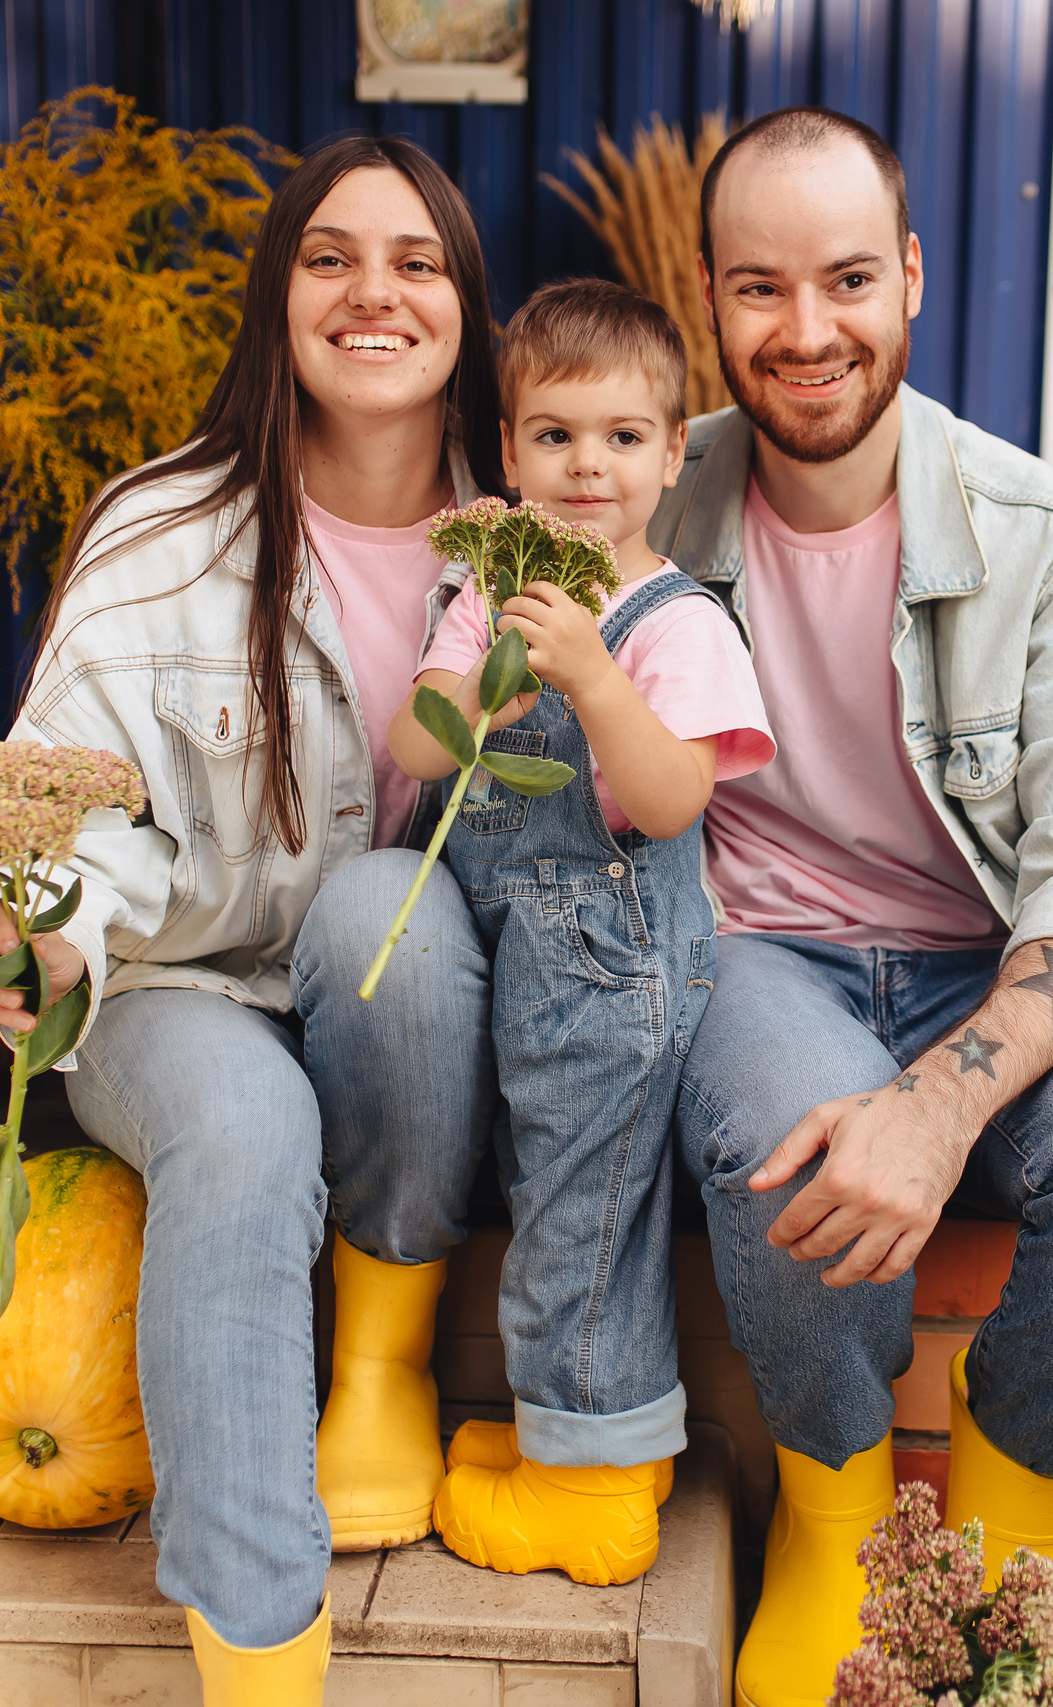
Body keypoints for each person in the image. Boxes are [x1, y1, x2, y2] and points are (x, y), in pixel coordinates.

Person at [646, 108, 1053, 1707]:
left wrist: (938, 1101)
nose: (808, 330)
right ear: (710, 296)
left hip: (996, 953)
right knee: (787, 1134)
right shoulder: (652, 502)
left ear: (910, 276)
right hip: (764, 951)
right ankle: (836, 1527)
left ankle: (992, 1545)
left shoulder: (1044, 539)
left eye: (847, 278)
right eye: (761, 289)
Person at [0, 135, 515, 1707]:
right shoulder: (165, 533)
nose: (373, 291)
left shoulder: (528, 547)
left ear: (465, 300)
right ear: (280, 295)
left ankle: (383, 1365)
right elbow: (72, 801)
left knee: (387, 905)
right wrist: (37, 923)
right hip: (172, 986)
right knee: (247, 1135)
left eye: (416, 260)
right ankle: (261, 1666)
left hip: (399, 1005)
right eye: (331, 256)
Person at [388, 278, 773, 1586]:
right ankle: (601, 1441)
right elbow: (414, 744)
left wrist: (591, 678)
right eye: (555, 436)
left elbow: (670, 798)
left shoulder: (676, 622)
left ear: (674, 453)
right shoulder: (487, 589)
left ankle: (593, 1497)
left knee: (582, 1219)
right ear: (511, 454)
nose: (586, 465)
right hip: (520, 963)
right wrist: (477, 691)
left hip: (615, 969)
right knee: (549, 1188)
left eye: (620, 437)